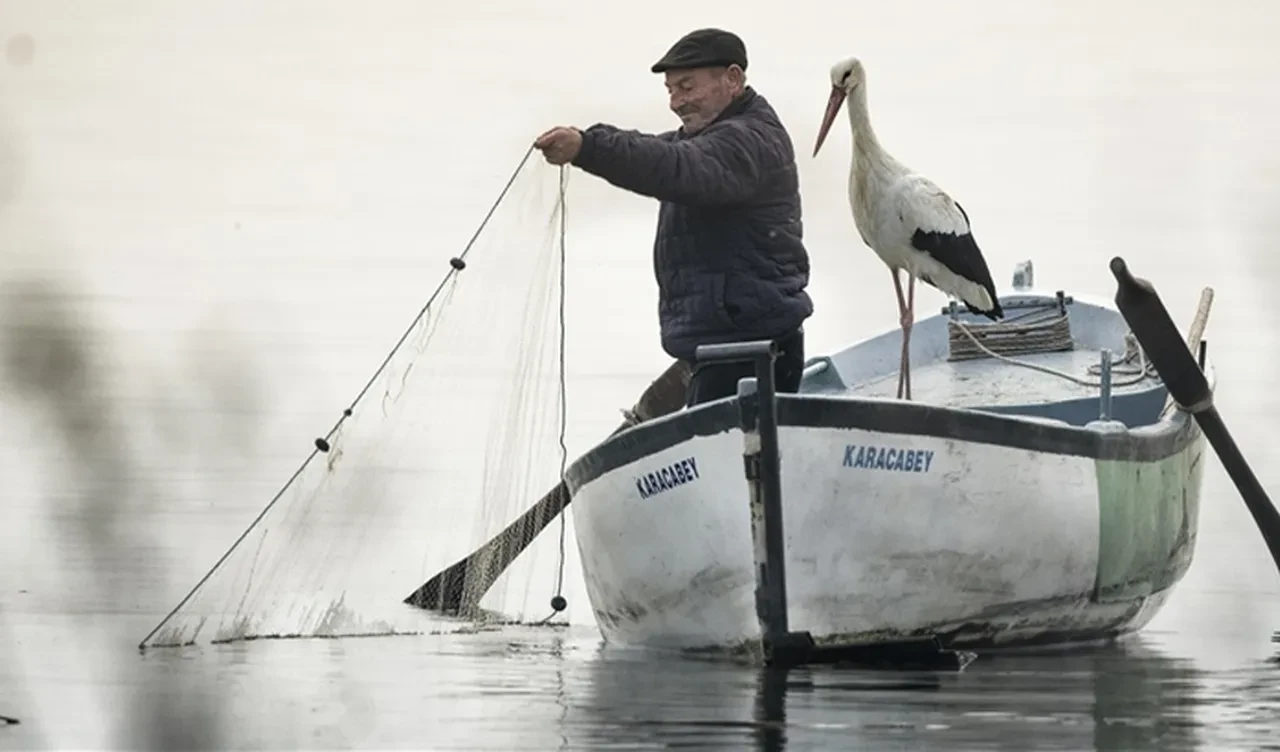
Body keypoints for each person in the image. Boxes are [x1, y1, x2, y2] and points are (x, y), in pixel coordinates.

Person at [533, 28, 814, 407]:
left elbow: (672, 165)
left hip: (750, 350)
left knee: (732, 442)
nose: (676, 102)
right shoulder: (708, 137)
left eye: (687, 87)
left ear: (733, 79)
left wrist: (587, 147)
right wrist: (587, 141)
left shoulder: (747, 139)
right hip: (724, 345)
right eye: (670, 90)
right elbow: (654, 148)